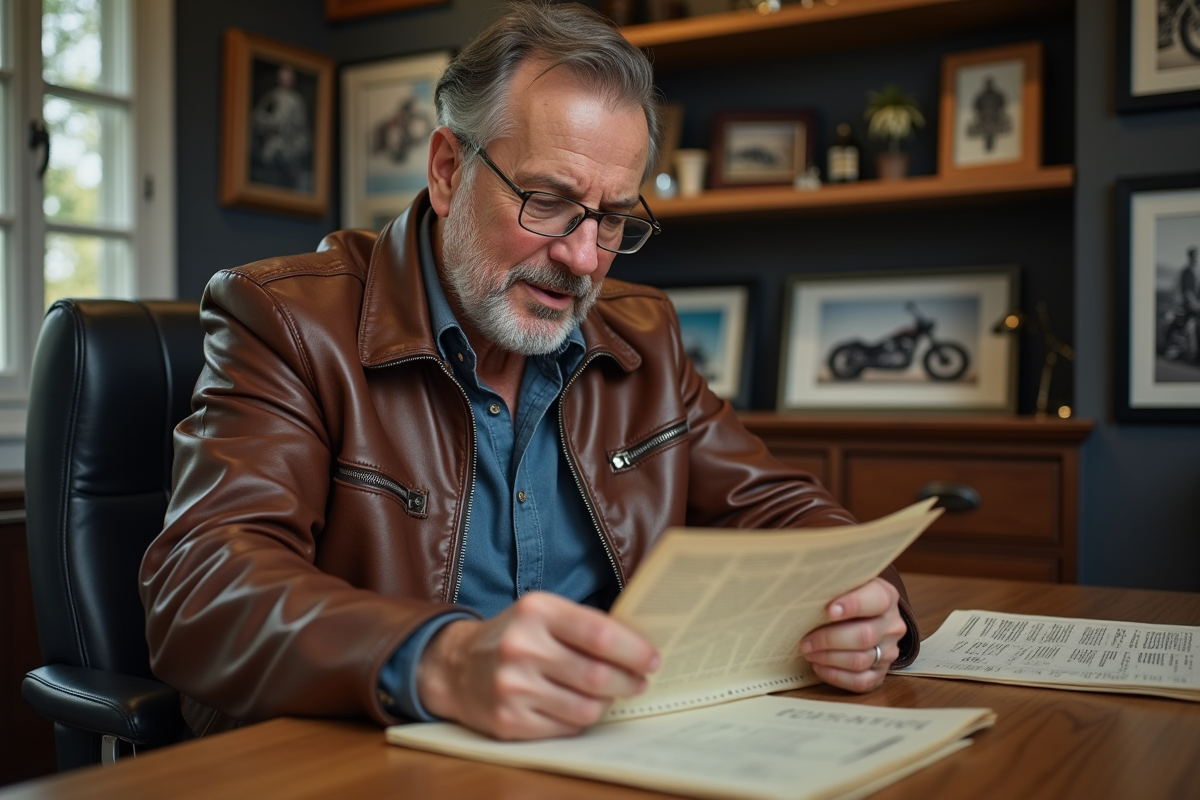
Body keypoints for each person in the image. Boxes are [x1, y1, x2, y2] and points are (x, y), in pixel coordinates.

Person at [140, 1, 918, 742]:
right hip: (375, 756)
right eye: (547, 201)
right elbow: (203, 588)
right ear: (448, 170)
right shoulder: (285, 322)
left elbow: (783, 510)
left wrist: (866, 605)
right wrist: (441, 660)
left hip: (613, 749)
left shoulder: (643, 334)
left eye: (611, 218)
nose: (582, 259)